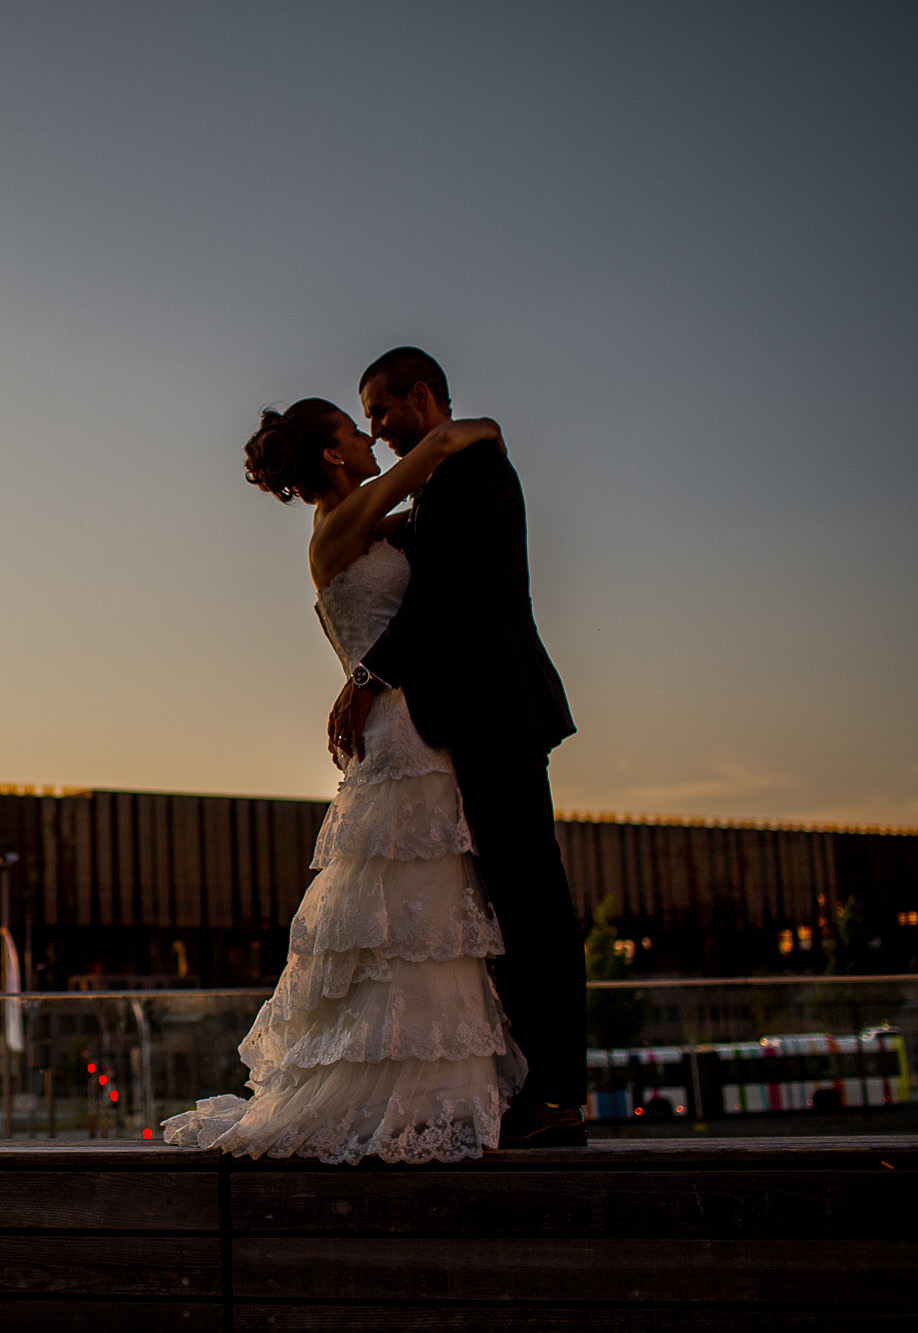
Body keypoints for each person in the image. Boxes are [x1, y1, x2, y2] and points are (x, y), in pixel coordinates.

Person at [161, 394, 524, 1163]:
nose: (371, 439)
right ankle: (415, 1098)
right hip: (401, 731)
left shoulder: (345, 528)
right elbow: (435, 453)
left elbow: (427, 529)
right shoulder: (349, 517)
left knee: (411, 913)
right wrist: (487, 431)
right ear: (333, 455)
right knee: (415, 910)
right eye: (357, 432)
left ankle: (423, 1094)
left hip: (394, 721)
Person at [334, 346, 583, 1148]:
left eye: (381, 409)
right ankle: (531, 1087)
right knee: (503, 909)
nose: (375, 425)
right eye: (363, 417)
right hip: (471, 720)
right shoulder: (443, 479)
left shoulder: (471, 470)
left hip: (500, 713)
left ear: (421, 394)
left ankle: (560, 1094)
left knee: (532, 905)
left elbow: (447, 589)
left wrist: (369, 672)